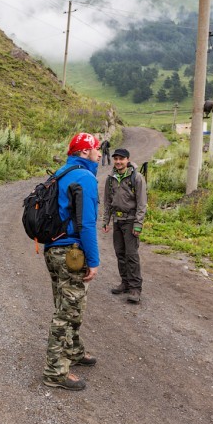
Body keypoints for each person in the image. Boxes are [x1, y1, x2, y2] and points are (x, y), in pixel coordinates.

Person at [41, 132, 101, 391]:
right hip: (71, 252)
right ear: (86, 151)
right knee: (67, 312)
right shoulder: (85, 177)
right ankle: (55, 372)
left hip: (52, 250)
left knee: (67, 303)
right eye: (97, 149)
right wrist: (94, 260)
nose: (100, 153)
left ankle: (74, 351)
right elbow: (87, 223)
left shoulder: (61, 172)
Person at [102, 148, 148, 304]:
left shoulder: (136, 177)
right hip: (117, 221)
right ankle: (125, 283)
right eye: (116, 159)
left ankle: (135, 288)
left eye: (121, 159)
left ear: (127, 159)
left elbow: (142, 204)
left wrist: (138, 224)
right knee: (120, 253)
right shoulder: (111, 178)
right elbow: (108, 201)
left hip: (130, 221)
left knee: (131, 255)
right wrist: (106, 220)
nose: (118, 161)